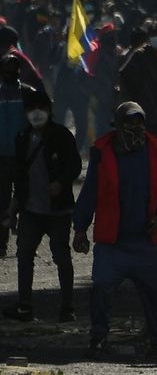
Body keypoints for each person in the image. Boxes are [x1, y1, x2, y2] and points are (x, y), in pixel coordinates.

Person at [72, 102, 157, 359]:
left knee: (155, 295)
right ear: (118, 126)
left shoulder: (155, 151)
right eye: (129, 124)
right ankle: (99, 339)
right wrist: (80, 228)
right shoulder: (103, 152)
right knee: (101, 290)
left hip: (145, 243)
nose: (135, 129)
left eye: (139, 123)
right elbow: (90, 194)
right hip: (112, 243)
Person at [3, 89, 82, 322]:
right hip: (31, 210)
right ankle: (24, 306)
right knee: (24, 256)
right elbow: (20, 177)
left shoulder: (62, 135)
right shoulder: (22, 138)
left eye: (41, 109)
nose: (36, 114)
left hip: (58, 210)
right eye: (31, 109)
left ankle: (68, 308)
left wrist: (60, 182)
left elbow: (74, 166)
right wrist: (12, 210)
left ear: (49, 110)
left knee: (61, 258)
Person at [0, 54, 37, 257]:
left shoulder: (28, 94)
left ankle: (25, 242)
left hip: (24, 157)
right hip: (2, 159)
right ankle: (2, 243)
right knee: (2, 201)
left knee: (24, 199)